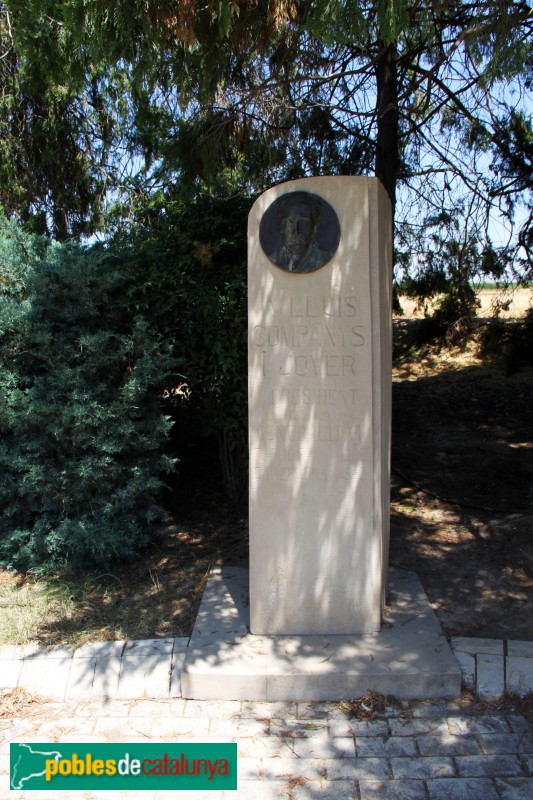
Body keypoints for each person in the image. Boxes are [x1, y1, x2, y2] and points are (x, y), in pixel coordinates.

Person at [269, 192, 332, 273]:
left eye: (302, 222)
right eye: (290, 222)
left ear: (314, 228)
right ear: (281, 228)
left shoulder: (322, 259)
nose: (295, 232)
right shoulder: (274, 258)